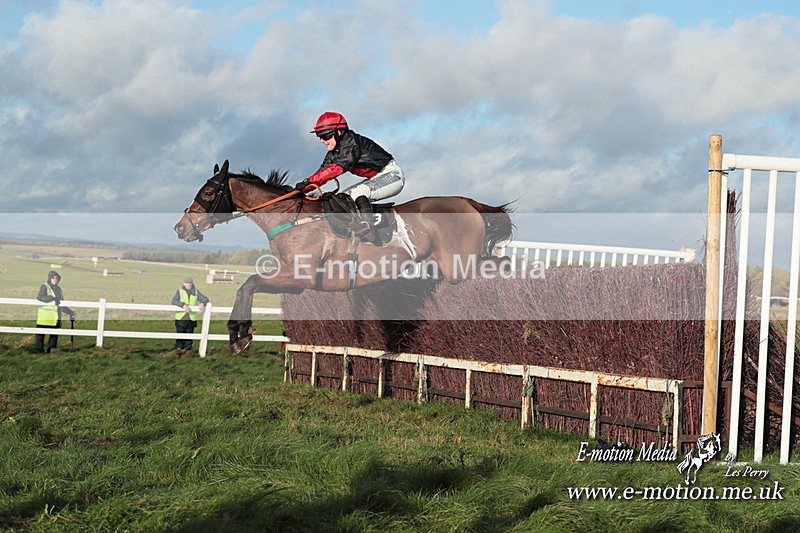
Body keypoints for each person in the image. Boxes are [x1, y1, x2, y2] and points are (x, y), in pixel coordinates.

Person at [294, 111, 405, 237]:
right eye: (319, 136)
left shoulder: (351, 143)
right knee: (343, 198)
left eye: (325, 136)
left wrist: (307, 182)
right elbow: (321, 173)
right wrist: (301, 189)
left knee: (359, 192)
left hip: (393, 175)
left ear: (338, 132)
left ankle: (367, 227)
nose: (321, 140)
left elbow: (335, 169)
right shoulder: (334, 153)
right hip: (376, 177)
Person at [35, 270, 76, 353]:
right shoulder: (44, 286)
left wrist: (70, 312)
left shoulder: (58, 289)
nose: (55, 280)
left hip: (55, 319)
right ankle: (39, 352)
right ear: (49, 278)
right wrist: (52, 298)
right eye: (53, 278)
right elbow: (40, 297)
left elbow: (61, 304)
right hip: (44, 318)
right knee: (40, 336)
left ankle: (51, 352)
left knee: (53, 337)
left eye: (56, 278)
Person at [171, 276, 209, 351]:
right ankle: (178, 350)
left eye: (190, 283)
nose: (188, 284)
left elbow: (205, 298)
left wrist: (202, 303)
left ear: (192, 283)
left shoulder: (196, 292)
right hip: (181, 318)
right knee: (180, 335)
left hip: (191, 318)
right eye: (187, 283)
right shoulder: (180, 292)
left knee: (189, 336)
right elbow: (174, 301)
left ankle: (187, 351)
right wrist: (183, 305)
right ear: (184, 283)